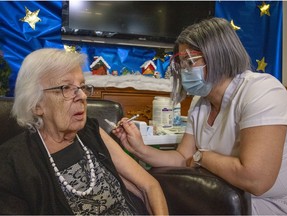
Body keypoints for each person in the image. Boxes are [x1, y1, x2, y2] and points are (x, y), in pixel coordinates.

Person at [113, 17, 287, 215]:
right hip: (220, 200)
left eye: (190, 61)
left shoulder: (261, 90)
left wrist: (202, 157)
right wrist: (140, 149)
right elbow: (182, 158)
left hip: (268, 207)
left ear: (218, 56)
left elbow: (256, 180)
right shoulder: (201, 102)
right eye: (180, 62)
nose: (184, 70)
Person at [0, 48, 168, 215]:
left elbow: (150, 186)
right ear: (36, 105)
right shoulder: (13, 164)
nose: (82, 96)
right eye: (66, 87)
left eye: (82, 86)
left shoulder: (91, 131)